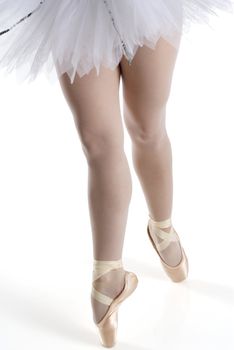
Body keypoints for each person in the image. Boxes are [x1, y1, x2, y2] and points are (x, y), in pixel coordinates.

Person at [0, 0, 233, 347]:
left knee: (146, 127)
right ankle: (107, 277)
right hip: (73, 9)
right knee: (100, 144)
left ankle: (162, 228)